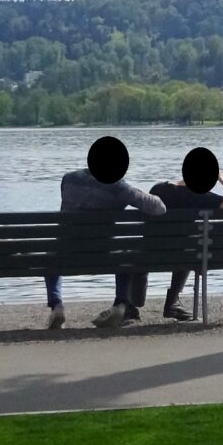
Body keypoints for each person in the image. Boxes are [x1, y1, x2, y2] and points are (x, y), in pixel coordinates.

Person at [42, 135, 163, 330]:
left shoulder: (68, 180)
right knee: (125, 255)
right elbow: (158, 208)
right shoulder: (118, 188)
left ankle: (57, 305)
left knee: (50, 256)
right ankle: (121, 303)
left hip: (66, 252)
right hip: (104, 253)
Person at [147, 145, 223, 321]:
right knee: (189, 249)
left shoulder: (157, 189)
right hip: (185, 256)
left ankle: (129, 306)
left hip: (150, 252)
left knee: (182, 247)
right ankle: (172, 302)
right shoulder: (201, 196)